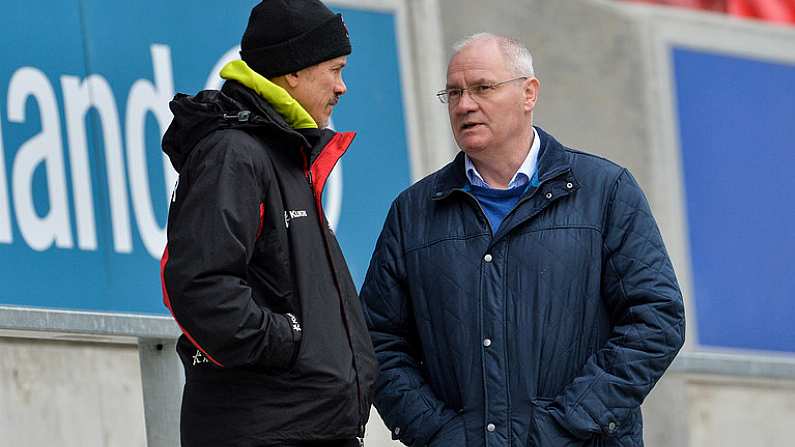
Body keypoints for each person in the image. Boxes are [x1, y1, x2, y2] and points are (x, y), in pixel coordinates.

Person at [360, 33, 685, 447]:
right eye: (454, 93)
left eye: (482, 88)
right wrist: (437, 432)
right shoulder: (414, 212)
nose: (464, 105)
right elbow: (377, 339)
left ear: (528, 93)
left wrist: (568, 425)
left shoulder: (605, 192)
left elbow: (657, 319)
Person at [160, 1, 377, 446]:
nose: (342, 87)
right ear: (293, 71)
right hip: (266, 430)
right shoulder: (233, 154)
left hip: (305, 428)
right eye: (334, 69)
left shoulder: (283, 154)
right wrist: (287, 340)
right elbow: (201, 287)